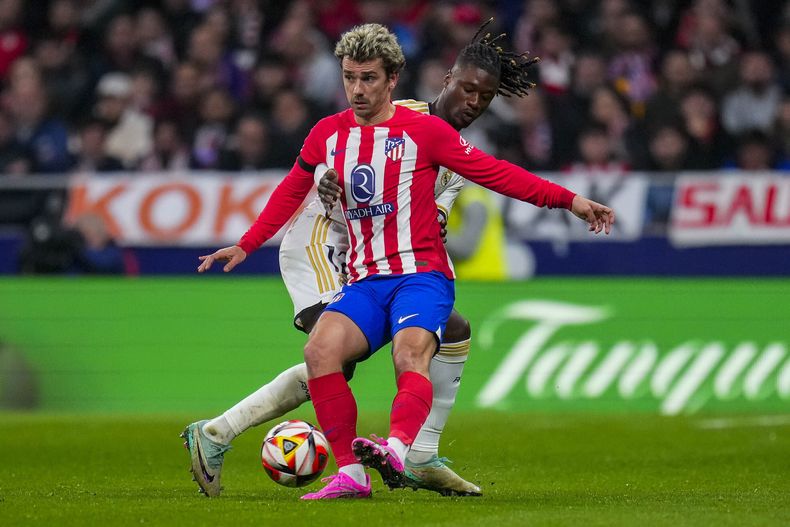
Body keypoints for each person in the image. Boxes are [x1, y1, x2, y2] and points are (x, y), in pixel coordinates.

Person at [193, 23, 613, 501]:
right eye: (467, 88)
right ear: (446, 79)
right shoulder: (388, 119)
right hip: (323, 240)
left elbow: (485, 182)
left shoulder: (446, 153)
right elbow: (318, 174)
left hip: (392, 261)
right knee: (334, 356)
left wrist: (568, 200)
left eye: (486, 96)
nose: (474, 101)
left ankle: (414, 451)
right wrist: (261, 233)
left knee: (448, 330)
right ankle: (221, 434)